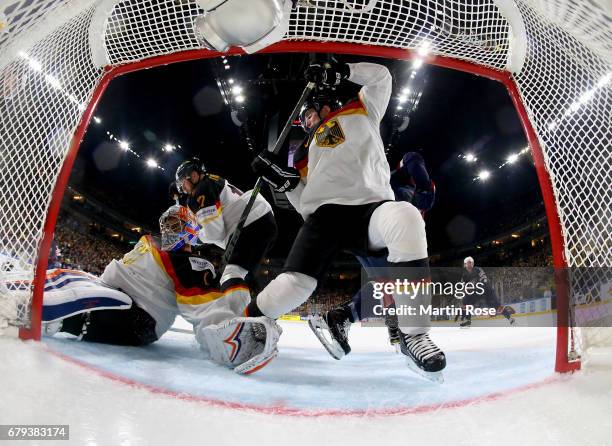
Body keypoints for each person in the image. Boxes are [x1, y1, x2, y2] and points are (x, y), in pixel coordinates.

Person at [250, 60, 446, 381]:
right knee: (299, 284)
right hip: (330, 220)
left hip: (373, 212)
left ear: (324, 105)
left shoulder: (361, 109)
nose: (304, 122)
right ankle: (254, 321)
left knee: (404, 225)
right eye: (301, 120)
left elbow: (382, 77)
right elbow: (305, 204)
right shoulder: (305, 154)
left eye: (308, 115)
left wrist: (341, 71)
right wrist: (284, 182)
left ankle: (410, 334)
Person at [0, 205, 281, 374]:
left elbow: (204, 309)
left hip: (138, 318)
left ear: (191, 231)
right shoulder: (151, 243)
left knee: (93, 295)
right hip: (113, 295)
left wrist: (228, 335)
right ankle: (18, 289)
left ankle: (20, 308)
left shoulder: (190, 262)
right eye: (167, 224)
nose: (170, 230)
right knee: (70, 275)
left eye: (177, 225)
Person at [315, 150, 436, 352]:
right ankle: (404, 333)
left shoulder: (398, 192)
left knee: (384, 284)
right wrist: (424, 187)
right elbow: (412, 158)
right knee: (404, 279)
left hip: (364, 236)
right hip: (379, 231)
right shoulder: (397, 182)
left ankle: (344, 317)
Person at [174, 158, 277, 292]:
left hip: (249, 225)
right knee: (243, 276)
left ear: (193, 175)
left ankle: (234, 310)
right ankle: (257, 307)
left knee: (230, 276)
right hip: (262, 220)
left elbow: (215, 233)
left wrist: (195, 237)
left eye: (183, 182)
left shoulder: (201, 190)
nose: (183, 188)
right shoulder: (211, 181)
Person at [455, 256, 515, 328]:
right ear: (465, 265)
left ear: (472, 264)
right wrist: (466, 291)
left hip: (486, 290)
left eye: (470, 263)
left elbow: (484, 279)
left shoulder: (478, 270)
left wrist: (478, 287)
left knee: (497, 306)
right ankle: (467, 321)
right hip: (476, 291)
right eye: (467, 264)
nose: (468, 265)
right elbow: (463, 286)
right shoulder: (464, 276)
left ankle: (509, 318)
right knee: (465, 301)